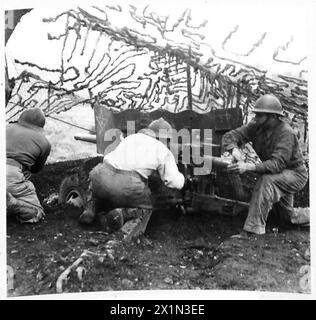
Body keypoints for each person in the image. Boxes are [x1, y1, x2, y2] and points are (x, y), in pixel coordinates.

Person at [79, 117, 190, 232]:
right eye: (168, 140)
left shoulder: (131, 138)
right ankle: (121, 214)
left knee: (97, 184)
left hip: (102, 176)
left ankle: (90, 208)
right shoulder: (162, 150)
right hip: (127, 186)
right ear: (164, 138)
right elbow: (173, 181)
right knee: (151, 202)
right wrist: (185, 182)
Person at [222, 94, 308, 237]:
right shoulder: (256, 126)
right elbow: (229, 136)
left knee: (266, 181)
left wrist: (248, 167)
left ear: (272, 117)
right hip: (279, 173)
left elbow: (277, 165)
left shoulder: (286, 133)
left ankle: (252, 230)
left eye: (260, 115)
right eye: (256, 114)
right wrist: (234, 149)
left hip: (295, 174)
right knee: (287, 218)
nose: (255, 118)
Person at [6, 107, 51, 223]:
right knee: (36, 212)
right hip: (11, 173)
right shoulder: (44, 142)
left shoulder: (5, 127)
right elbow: (36, 169)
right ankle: (12, 202)